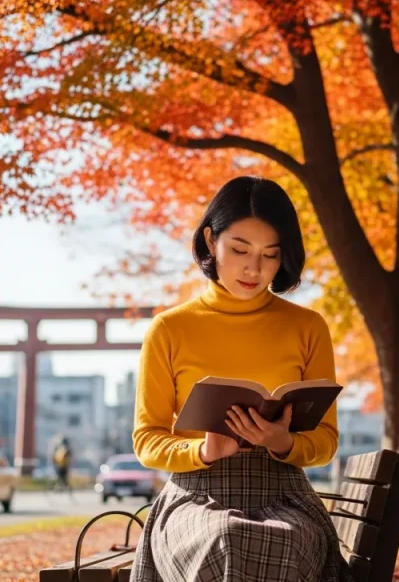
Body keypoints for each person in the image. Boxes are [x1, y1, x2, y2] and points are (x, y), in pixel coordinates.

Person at [129, 176, 350, 582]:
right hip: (196, 495)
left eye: (270, 254)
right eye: (240, 249)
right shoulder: (169, 329)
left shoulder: (307, 326)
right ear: (211, 241)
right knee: (224, 539)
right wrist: (203, 451)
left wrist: (282, 442)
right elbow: (147, 440)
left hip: (285, 496)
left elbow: (327, 441)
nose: (254, 268)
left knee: (274, 541)